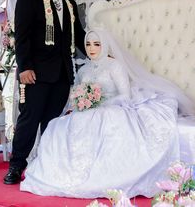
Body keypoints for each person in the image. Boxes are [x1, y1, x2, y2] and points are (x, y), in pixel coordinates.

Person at [20, 28, 194, 198]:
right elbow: (76, 94)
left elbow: (125, 94)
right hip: (87, 111)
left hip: (113, 107)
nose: (91, 48)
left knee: (105, 122)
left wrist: (100, 104)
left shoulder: (114, 66)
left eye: (96, 44)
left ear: (104, 45)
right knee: (55, 125)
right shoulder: (83, 70)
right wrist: (82, 102)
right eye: (88, 44)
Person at [3, 0, 86, 185]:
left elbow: (78, 36)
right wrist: (25, 67)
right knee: (29, 120)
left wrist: (101, 54)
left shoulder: (69, 3)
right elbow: (22, 36)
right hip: (35, 73)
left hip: (62, 74)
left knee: (52, 123)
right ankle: (16, 166)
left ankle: (46, 166)